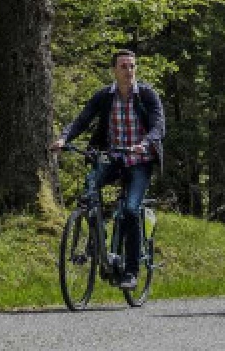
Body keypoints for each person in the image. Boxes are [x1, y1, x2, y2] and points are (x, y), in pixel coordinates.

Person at [49, 49, 165, 290]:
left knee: (132, 211)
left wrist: (143, 145)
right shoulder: (104, 97)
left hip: (139, 161)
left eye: (132, 66)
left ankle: (131, 272)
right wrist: (63, 139)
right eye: (123, 66)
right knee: (89, 191)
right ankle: (96, 239)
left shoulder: (147, 95)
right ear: (114, 70)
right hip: (111, 158)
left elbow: (158, 127)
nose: (128, 71)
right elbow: (82, 120)